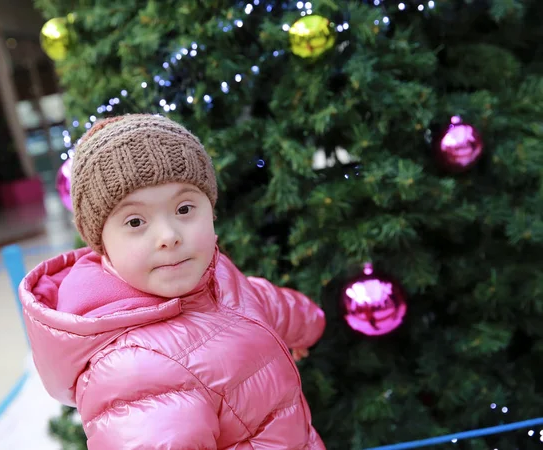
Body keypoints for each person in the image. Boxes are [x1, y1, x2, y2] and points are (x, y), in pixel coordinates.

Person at [19, 114, 326, 449]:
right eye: (135, 221)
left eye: (183, 209)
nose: (168, 236)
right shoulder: (133, 373)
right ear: (102, 242)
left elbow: (258, 301)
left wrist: (309, 323)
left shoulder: (212, 274)